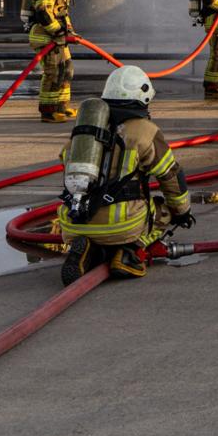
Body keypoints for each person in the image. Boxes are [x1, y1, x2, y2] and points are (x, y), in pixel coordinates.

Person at [57, 65, 194, 283]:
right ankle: (128, 252)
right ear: (143, 97)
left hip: (74, 222)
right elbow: (171, 176)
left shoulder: (86, 129)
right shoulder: (146, 131)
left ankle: (89, 249)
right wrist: (183, 211)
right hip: (121, 225)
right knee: (166, 211)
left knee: (98, 225)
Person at [28, 0, 82, 123]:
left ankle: (62, 107)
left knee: (67, 70)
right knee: (53, 72)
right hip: (45, 37)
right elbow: (44, 13)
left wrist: (70, 32)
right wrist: (57, 31)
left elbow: (62, 13)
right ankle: (48, 111)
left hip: (58, 37)